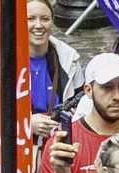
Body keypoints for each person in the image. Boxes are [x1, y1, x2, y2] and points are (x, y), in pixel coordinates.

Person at [26, 0, 85, 133]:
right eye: (30, 19)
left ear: (52, 22)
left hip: (60, 136)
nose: (38, 25)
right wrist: (25, 124)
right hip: (17, 141)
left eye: (45, 19)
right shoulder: (3, 61)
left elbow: (83, 101)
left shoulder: (69, 58)